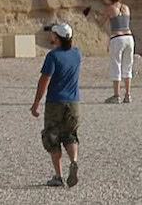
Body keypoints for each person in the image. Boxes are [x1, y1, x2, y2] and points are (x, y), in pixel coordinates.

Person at [30, 21, 82, 188]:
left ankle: (58, 176)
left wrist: (36, 103)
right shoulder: (77, 54)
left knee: (52, 138)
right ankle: (74, 161)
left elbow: (44, 81)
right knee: (70, 134)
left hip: (55, 102)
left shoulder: (53, 56)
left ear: (56, 37)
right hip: (74, 102)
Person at [95, 0, 133, 104]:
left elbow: (101, 24)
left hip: (117, 38)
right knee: (128, 66)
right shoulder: (126, 8)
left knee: (116, 65)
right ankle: (128, 95)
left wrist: (93, 17)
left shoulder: (110, 8)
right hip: (129, 38)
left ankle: (117, 95)